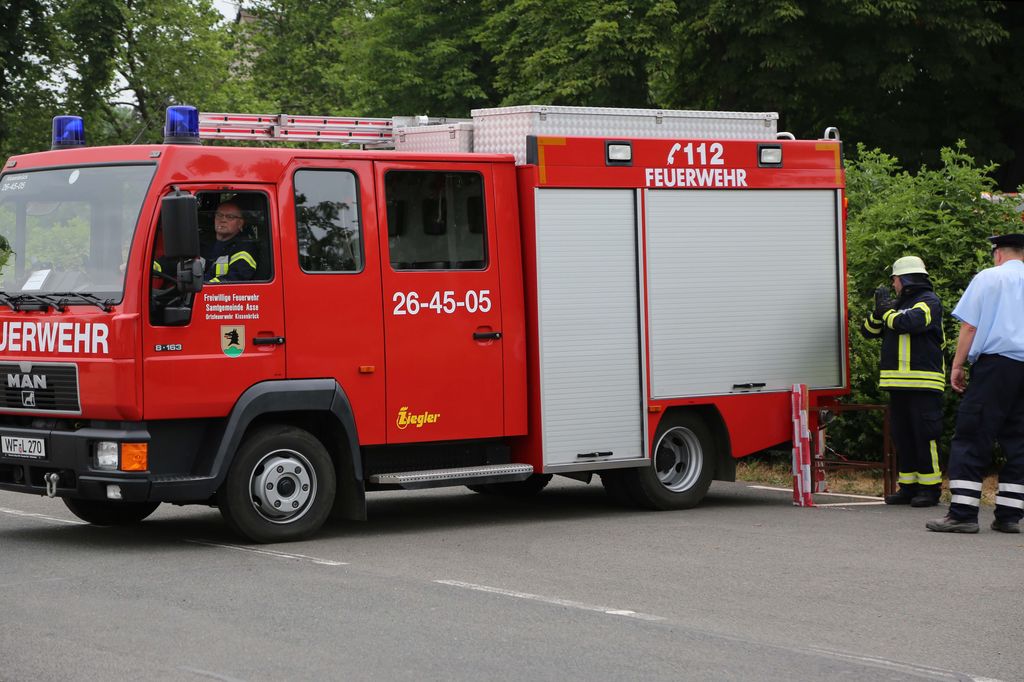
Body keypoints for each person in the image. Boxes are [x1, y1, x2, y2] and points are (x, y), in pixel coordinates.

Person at [927, 233, 1024, 534]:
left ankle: (963, 513)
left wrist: (958, 365)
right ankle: (1009, 515)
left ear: (998, 253)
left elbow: (970, 326)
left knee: (973, 434)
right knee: (1020, 441)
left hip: (996, 366)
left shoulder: (988, 278)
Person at [861, 255, 945, 507]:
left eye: (895, 279)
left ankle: (929, 489)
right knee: (902, 436)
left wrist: (887, 312)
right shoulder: (895, 305)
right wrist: (879, 311)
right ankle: (908, 487)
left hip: (924, 383)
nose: (893, 284)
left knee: (925, 435)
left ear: (905, 279)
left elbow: (909, 323)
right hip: (897, 384)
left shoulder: (929, 302)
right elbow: (869, 331)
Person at [201, 201, 257, 283]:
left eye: (230, 217)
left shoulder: (244, 248)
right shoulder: (203, 242)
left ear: (240, 223)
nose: (223, 220)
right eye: (219, 215)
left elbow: (234, 280)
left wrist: (205, 285)